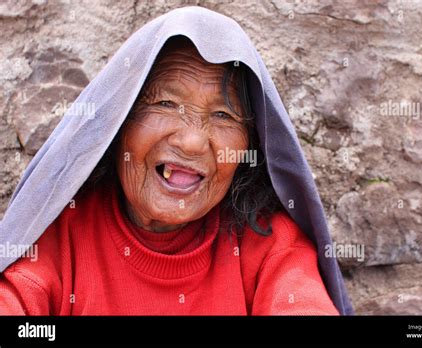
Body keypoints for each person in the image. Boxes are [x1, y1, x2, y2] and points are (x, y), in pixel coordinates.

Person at [0, 6, 353, 315]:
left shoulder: (269, 247)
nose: (193, 140)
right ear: (119, 123)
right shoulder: (58, 238)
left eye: (224, 115)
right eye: (166, 104)